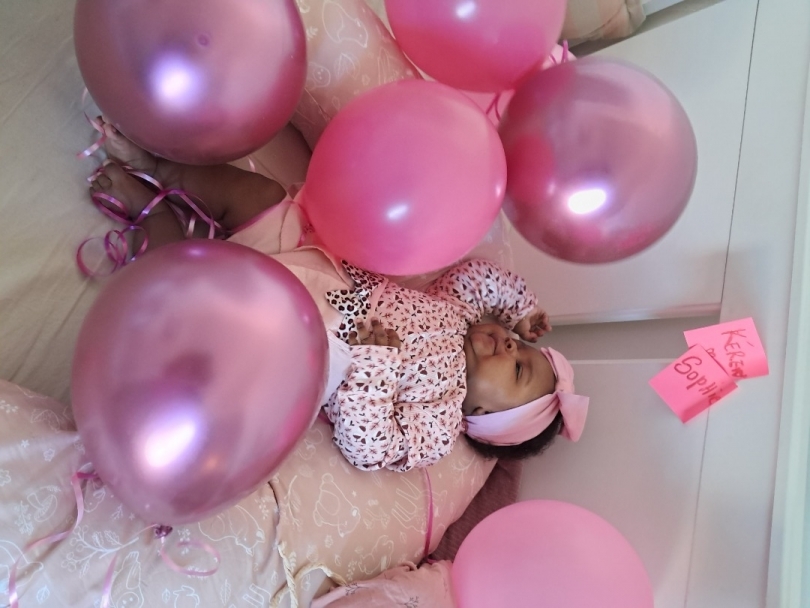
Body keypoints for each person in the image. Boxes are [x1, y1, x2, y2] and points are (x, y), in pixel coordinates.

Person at [87, 118, 589, 472]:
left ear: (482, 416)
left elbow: (369, 447)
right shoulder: (459, 315)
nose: (510, 346)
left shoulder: (439, 421)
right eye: (522, 346)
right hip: (318, 272)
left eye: (518, 369)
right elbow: (474, 277)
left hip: (300, 342)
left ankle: (153, 217)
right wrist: (520, 308)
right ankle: (163, 169)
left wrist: (375, 365)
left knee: (192, 309)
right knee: (263, 199)